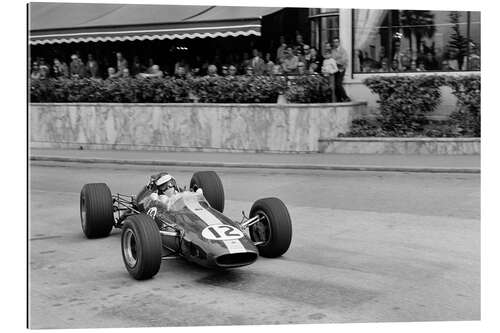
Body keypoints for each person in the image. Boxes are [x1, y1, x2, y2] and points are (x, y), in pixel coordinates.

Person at [331, 37, 350, 102]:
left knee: (338, 84)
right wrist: (336, 61)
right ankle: (339, 99)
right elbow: (331, 60)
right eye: (334, 42)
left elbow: (344, 61)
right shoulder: (332, 51)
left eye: (336, 42)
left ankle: (346, 97)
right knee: (335, 85)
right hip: (335, 69)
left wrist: (335, 61)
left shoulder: (343, 51)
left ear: (339, 42)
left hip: (341, 69)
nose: (335, 43)